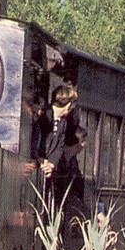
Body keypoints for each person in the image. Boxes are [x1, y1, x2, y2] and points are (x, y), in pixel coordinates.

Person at [31, 84, 87, 225]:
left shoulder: (63, 123)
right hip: (37, 166)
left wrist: (52, 164)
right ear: (66, 104)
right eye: (71, 105)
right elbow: (35, 141)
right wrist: (41, 160)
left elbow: (59, 147)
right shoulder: (44, 117)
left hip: (48, 168)